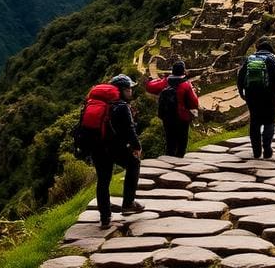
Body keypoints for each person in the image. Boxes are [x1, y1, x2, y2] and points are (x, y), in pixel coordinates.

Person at [85, 74, 144, 228]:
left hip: (96, 147)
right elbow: (129, 130)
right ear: (122, 90)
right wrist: (136, 147)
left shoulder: (95, 103)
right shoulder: (121, 106)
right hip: (114, 147)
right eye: (129, 89)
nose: (131, 92)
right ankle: (128, 203)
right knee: (134, 164)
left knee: (103, 180)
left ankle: (105, 218)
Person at [237, 39, 275, 158]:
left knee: (255, 122)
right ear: (270, 50)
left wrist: (242, 93)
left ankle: (256, 151)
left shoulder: (249, 59)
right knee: (269, 121)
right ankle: (267, 147)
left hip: (252, 95)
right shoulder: (271, 60)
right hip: (268, 95)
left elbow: (240, 77)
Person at [145, 61, 199, 157]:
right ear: (183, 71)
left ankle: (169, 159)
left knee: (170, 140)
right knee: (182, 140)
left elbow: (150, 87)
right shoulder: (186, 84)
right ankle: (179, 159)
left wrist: (157, 79)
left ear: (172, 71)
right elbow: (194, 102)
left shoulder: (165, 82)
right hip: (182, 116)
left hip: (167, 116)